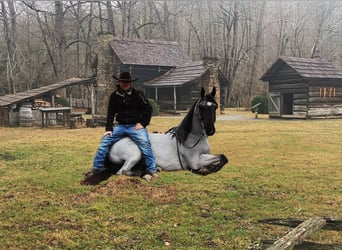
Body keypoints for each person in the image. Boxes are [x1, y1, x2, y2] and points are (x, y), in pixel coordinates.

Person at [88, 71, 159, 179]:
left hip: (135, 126)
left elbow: (148, 109)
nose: (125, 84)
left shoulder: (138, 94)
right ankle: (97, 167)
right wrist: (109, 129)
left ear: (130, 83)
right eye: (123, 82)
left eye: (127, 82)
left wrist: (143, 123)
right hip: (120, 126)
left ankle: (151, 169)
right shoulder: (114, 96)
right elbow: (110, 113)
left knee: (145, 144)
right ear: (119, 82)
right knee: (105, 142)